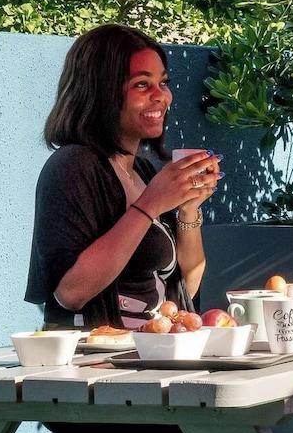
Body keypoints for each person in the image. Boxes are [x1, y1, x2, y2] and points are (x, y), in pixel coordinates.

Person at [25, 24, 221, 330]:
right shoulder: (73, 166)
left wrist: (188, 209)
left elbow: (188, 286)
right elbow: (70, 293)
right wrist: (151, 203)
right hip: (96, 354)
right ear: (102, 92)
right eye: (142, 85)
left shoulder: (142, 171)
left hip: (153, 348)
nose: (161, 96)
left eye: (163, 83)